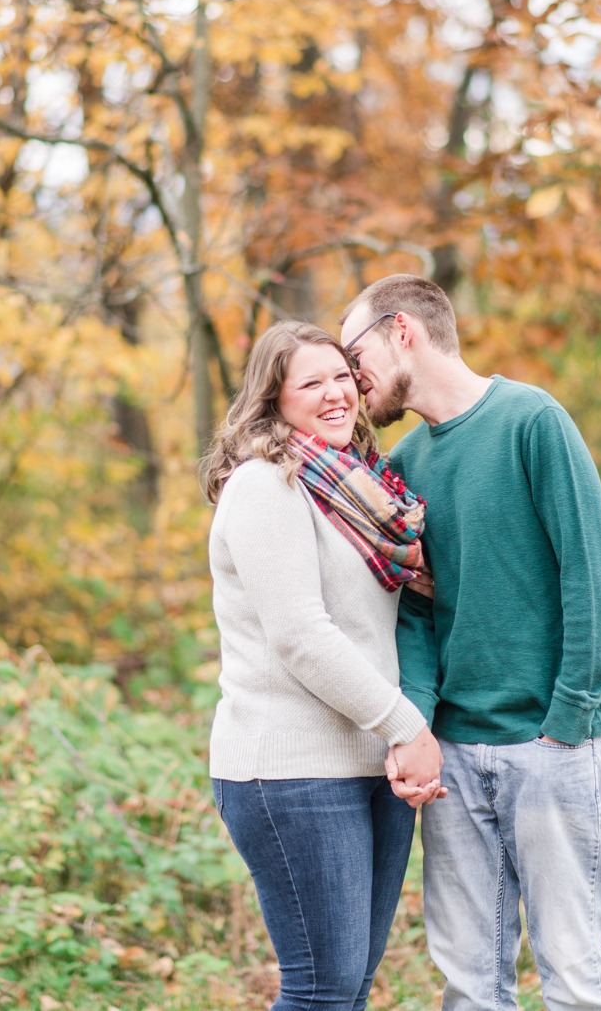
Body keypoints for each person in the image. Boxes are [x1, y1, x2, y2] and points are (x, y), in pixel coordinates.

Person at [339, 275, 601, 1011]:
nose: (348, 373)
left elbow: (588, 579)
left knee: (573, 975)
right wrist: (422, 725)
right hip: (456, 758)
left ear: (403, 329)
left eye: (353, 349)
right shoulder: (402, 467)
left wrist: (568, 722)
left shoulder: (533, 421)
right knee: (469, 983)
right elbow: (415, 617)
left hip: (551, 745)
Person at [200, 320, 445, 1011]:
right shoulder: (264, 486)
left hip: (372, 764)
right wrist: (407, 726)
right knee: (321, 991)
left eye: (343, 376)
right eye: (312, 383)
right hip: (292, 771)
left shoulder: (358, 491)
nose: (336, 393)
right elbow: (301, 636)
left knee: (349, 988)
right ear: (273, 398)